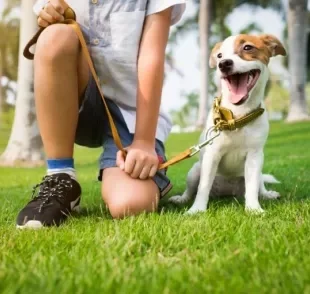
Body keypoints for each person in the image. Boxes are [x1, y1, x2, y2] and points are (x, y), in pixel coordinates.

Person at [16, 0, 186, 228]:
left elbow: (151, 56)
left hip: (131, 113)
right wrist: (49, 13)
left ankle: (142, 169)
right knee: (54, 36)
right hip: (74, 101)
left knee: (130, 204)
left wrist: (144, 142)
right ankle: (60, 176)